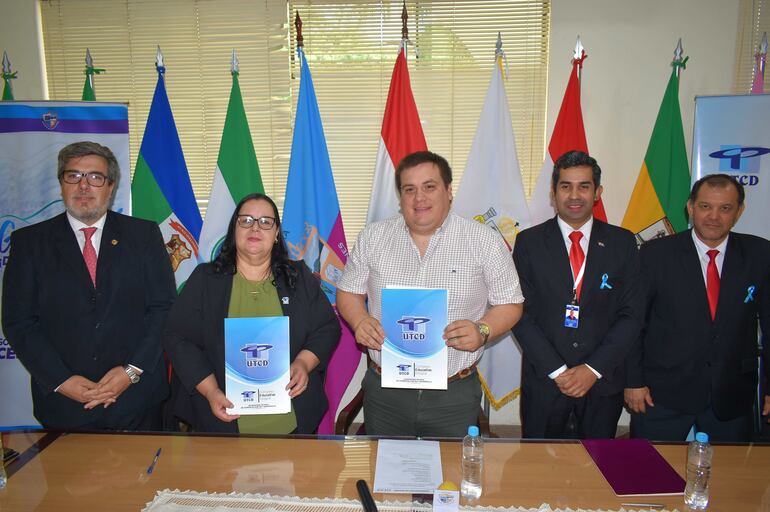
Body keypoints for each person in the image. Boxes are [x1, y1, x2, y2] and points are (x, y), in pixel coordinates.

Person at [337, 150, 523, 437]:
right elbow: (348, 292)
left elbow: (511, 303)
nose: (419, 198)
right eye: (409, 189)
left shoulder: (483, 240)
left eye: (429, 187)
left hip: (454, 393)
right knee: (386, 475)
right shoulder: (372, 237)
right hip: (386, 392)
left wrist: (483, 329)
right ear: (400, 197)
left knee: (450, 479)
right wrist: (359, 320)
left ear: (449, 191)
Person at [2, 141, 176, 430]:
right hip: (65, 405)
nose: (84, 186)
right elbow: (18, 322)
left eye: (95, 177)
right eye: (74, 176)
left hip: (137, 401)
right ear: (61, 184)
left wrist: (131, 372)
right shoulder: (30, 243)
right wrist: (61, 380)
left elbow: (163, 309)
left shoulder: (143, 235)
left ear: (111, 186)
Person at [163, 193, 340, 434]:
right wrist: (211, 391)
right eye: (246, 220)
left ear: (276, 233)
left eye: (265, 221)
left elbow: (327, 328)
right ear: (234, 229)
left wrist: (303, 363)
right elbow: (178, 337)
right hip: (220, 416)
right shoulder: (205, 280)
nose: (255, 227)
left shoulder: (298, 277)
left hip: (293, 418)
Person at [625, 174, 770, 442]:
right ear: (690, 207)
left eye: (725, 208)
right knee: (651, 475)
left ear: (739, 211)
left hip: (731, 396)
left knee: (729, 480)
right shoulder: (654, 255)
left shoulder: (760, 254)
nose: (714, 216)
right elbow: (634, 323)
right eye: (705, 206)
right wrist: (633, 381)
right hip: (662, 395)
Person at [513, 150, 643, 439]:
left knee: (597, 468)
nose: (574, 195)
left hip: (601, 381)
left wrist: (593, 369)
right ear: (553, 193)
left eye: (584, 186)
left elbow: (632, 315)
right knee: (539, 466)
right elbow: (520, 313)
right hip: (546, 380)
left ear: (597, 192)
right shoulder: (529, 243)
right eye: (565, 186)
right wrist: (558, 370)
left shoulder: (623, 243)